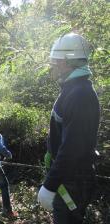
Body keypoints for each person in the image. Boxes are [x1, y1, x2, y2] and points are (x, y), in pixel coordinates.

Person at [38, 33, 100, 224]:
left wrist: (50, 185)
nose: (53, 66)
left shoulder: (80, 94)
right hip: (69, 176)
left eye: (55, 61)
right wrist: (51, 150)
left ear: (67, 62)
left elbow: (73, 147)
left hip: (73, 179)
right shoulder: (73, 90)